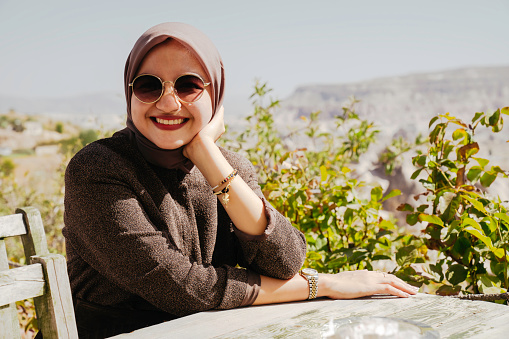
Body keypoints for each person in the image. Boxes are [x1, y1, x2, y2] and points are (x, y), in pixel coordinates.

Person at [61, 22, 418, 338]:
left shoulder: (228, 166)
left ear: (215, 95)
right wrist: (322, 285)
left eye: (188, 86)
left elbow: (284, 261)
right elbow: (183, 290)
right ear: (130, 92)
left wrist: (207, 156)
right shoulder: (98, 169)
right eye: (149, 86)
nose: (169, 103)